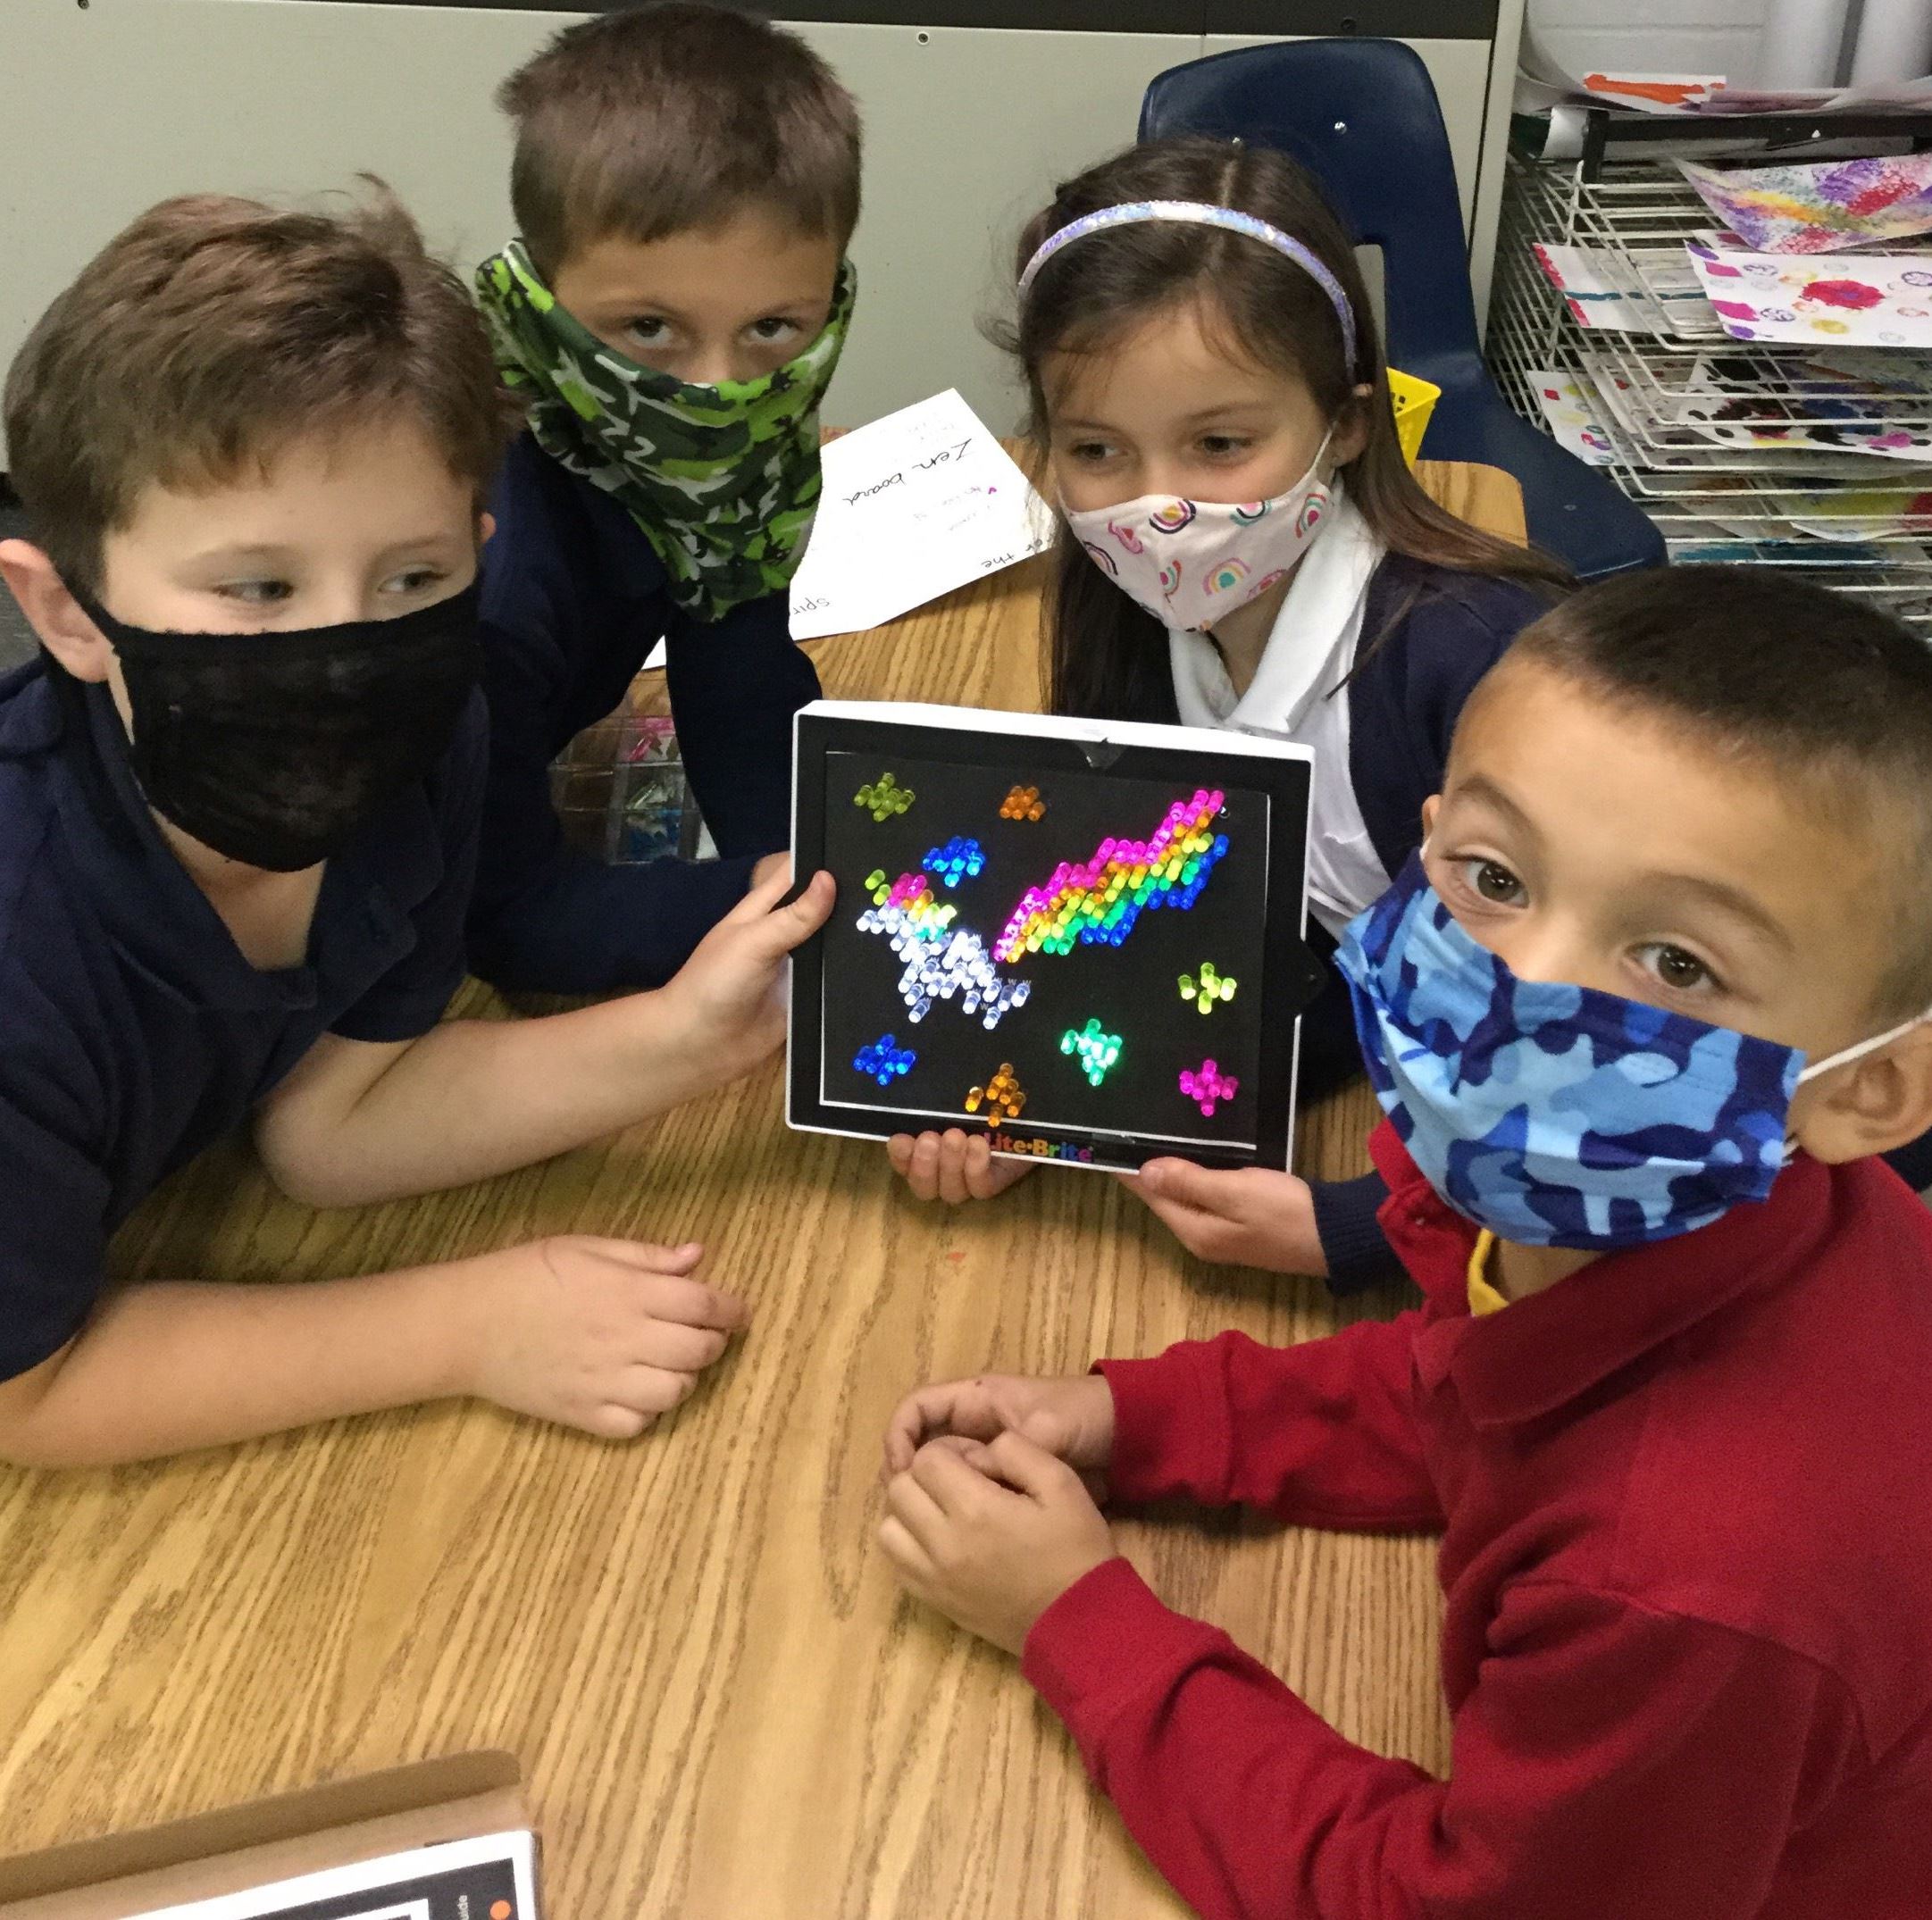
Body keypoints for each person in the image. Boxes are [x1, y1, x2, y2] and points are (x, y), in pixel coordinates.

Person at [879, 566, 1932, 1916]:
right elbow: (1474, 1381)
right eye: (1494, 878)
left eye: (1676, 963)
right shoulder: (1683, 1211)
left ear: (1868, 1091)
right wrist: (1141, 1420)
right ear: (1424, 838)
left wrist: (1073, 1620)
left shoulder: (1684, 1587)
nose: (1518, 995)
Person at [0, 188, 832, 1468]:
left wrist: (690, 1034)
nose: (347, 650)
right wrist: (463, 1326)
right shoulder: (22, 946)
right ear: (66, 611)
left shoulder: (428, 738)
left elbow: (332, 1124)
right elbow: (28, 1394)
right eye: (259, 586)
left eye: (412, 576)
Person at [888, 137, 1569, 1294]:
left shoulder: (1471, 667)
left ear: (1345, 425)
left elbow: (1611, 1047)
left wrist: (1356, 1229)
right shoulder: (1132, 626)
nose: (1157, 506)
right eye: (1097, 450)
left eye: (1219, 444)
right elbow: (1249, 926)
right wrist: (1058, 1106)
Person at [468, 0, 859, 994]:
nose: (715, 393)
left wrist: (807, 863)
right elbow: (503, 916)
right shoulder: (487, 563)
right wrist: (790, 899)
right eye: (648, 328)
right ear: (535, 297)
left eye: (772, 327)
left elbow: (738, 671)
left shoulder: (724, 469)